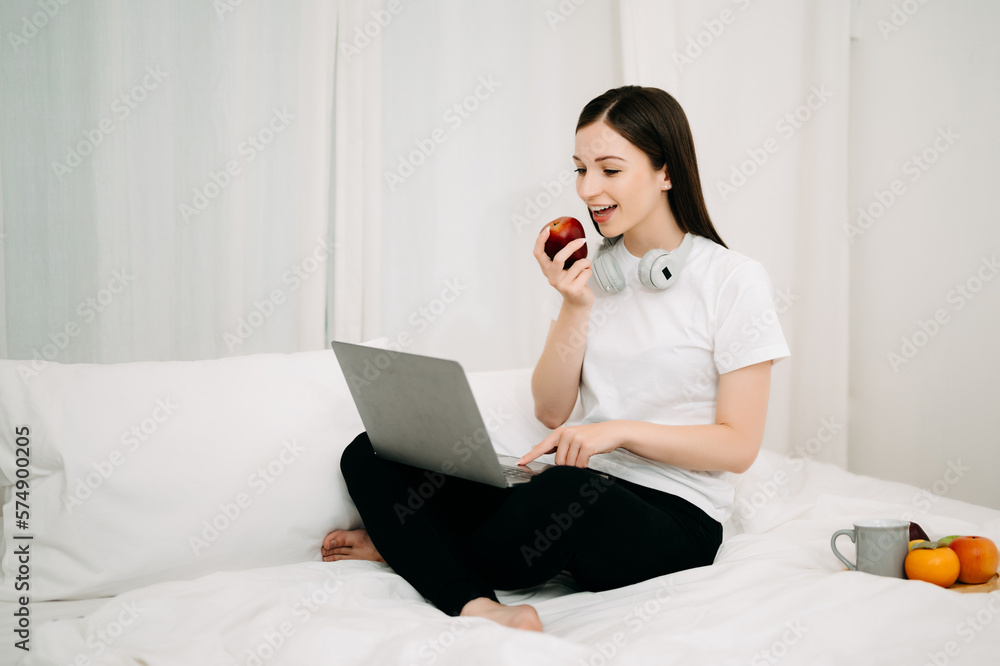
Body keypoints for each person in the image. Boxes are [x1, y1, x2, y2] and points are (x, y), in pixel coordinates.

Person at [322, 85, 790, 633]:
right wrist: (575, 303)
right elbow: (550, 409)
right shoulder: (591, 271)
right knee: (372, 452)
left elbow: (737, 446)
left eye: (609, 170)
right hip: (568, 490)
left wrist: (615, 432)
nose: (588, 189)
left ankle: (412, 543)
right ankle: (479, 605)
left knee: (565, 493)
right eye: (580, 169)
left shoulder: (733, 280)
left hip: (673, 515)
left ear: (667, 172)